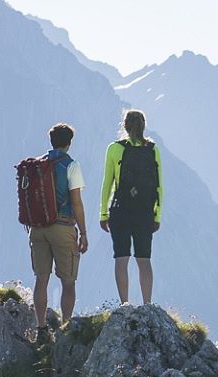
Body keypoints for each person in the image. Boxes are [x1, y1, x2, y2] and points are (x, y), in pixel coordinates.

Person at [100, 109, 163, 305]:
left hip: (120, 210)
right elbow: (159, 185)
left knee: (122, 258)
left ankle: (124, 304)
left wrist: (104, 213)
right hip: (144, 212)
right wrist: (157, 216)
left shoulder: (114, 148)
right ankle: (147, 304)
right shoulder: (152, 149)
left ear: (125, 126)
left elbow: (107, 183)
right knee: (144, 260)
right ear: (144, 126)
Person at [29, 122, 88, 329]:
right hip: (62, 227)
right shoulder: (71, 166)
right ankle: (66, 328)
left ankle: (41, 328)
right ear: (69, 143)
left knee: (41, 279)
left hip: (37, 228)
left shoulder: (38, 165)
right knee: (68, 281)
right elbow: (77, 203)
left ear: (51, 141)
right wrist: (83, 233)